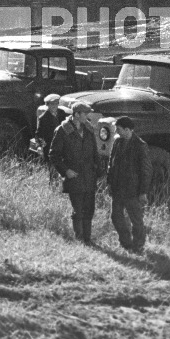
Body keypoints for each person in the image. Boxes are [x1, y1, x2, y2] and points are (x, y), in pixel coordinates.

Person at [50, 101, 102, 244]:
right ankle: (80, 239)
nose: (87, 117)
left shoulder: (89, 129)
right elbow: (54, 155)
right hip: (74, 177)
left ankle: (87, 239)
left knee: (89, 210)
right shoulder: (62, 130)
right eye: (85, 114)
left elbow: (95, 153)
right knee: (78, 210)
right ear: (77, 114)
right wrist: (66, 171)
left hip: (89, 176)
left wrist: (100, 172)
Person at [107, 116, 152, 254]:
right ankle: (126, 243)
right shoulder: (117, 142)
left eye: (119, 129)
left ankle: (138, 245)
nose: (116, 132)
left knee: (136, 220)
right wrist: (109, 182)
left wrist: (143, 192)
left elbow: (146, 170)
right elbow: (111, 163)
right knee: (116, 217)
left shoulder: (140, 145)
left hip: (132, 190)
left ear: (127, 130)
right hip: (117, 188)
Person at [35, 93, 64, 164]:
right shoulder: (43, 118)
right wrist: (40, 146)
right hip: (50, 145)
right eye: (52, 104)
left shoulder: (62, 113)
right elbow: (39, 134)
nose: (54, 106)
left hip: (62, 144)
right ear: (47, 105)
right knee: (52, 167)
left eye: (56, 103)